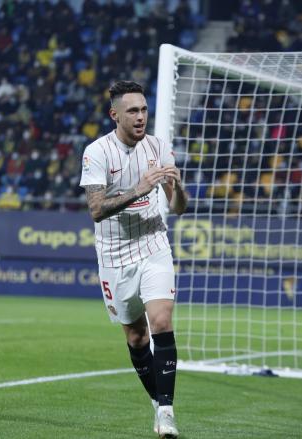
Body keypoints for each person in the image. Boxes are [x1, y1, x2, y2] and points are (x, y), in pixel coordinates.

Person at [79, 81, 188, 438]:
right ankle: (158, 403)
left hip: (154, 243)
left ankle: (168, 412)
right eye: (132, 111)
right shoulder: (97, 153)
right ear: (115, 115)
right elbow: (96, 210)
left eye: (143, 109)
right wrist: (139, 189)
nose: (141, 117)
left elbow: (178, 208)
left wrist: (179, 188)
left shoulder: (158, 147)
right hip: (113, 253)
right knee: (138, 337)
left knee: (161, 319)